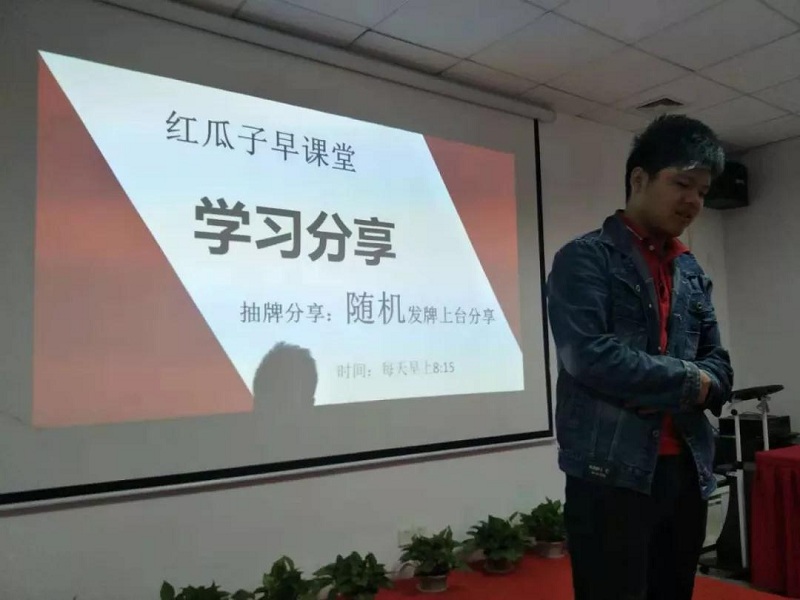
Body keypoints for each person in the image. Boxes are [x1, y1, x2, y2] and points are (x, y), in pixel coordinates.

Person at [546, 114, 734, 600]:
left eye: (703, 191)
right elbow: (590, 357)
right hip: (610, 475)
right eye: (682, 184)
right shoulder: (585, 259)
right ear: (638, 179)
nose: (694, 201)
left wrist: (689, 380)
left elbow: (720, 364)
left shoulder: (691, 271)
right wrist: (691, 383)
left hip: (686, 470)